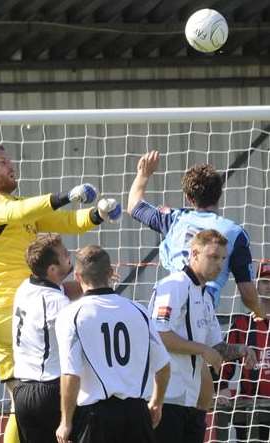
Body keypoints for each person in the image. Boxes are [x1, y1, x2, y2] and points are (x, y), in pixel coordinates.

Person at [0, 142, 121, 443]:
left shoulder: (17, 207)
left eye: (9, 159)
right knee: (54, 385)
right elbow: (18, 211)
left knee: (20, 401)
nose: (10, 165)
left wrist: (96, 215)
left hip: (19, 312)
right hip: (13, 314)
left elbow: (66, 223)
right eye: (1, 162)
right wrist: (65, 196)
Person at [128, 151, 266, 412]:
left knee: (199, 396)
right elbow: (248, 295)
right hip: (197, 312)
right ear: (220, 194)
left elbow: (134, 205)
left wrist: (143, 175)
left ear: (189, 198)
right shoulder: (234, 232)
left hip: (170, 305)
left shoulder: (175, 218)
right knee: (191, 396)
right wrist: (261, 314)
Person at [149, 229, 257, 443]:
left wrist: (241, 350)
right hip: (165, 398)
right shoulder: (174, 286)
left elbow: (214, 347)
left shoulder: (205, 295)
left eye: (223, 259)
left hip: (191, 401)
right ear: (194, 254)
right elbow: (160, 335)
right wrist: (202, 350)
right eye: (213, 257)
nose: (219, 264)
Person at [55, 245, 171, 443]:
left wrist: (65, 421)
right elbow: (163, 366)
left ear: (77, 276)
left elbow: (70, 374)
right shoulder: (139, 311)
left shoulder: (71, 315)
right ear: (110, 273)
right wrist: (156, 403)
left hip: (96, 417)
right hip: (137, 414)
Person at [12, 234, 73, 443]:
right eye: (65, 255)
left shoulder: (25, 287)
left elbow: (66, 289)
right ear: (52, 270)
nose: (69, 256)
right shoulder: (57, 303)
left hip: (21, 391)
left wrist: (91, 281)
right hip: (48, 390)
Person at [216, 261, 270, 441]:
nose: (269, 286)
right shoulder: (242, 325)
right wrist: (221, 387)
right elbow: (223, 359)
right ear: (256, 285)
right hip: (250, 408)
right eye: (264, 281)